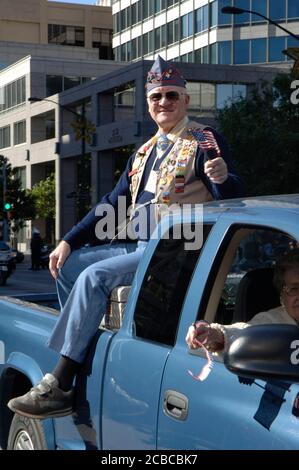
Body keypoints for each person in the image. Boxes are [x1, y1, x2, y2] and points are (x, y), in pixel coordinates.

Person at [8, 55, 244, 419]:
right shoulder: (145, 151)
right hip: (139, 245)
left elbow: (231, 198)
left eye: (170, 95)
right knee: (69, 264)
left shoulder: (203, 139)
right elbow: (111, 202)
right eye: (155, 97)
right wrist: (68, 240)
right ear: (148, 104)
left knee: (94, 277)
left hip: (177, 250)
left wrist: (222, 176)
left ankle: (62, 381)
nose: (163, 102)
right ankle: (81, 345)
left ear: (185, 100)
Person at [186, 248, 299, 353]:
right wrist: (214, 334)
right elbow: (244, 333)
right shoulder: (272, 321)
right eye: (294, 289)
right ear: (282, 295)